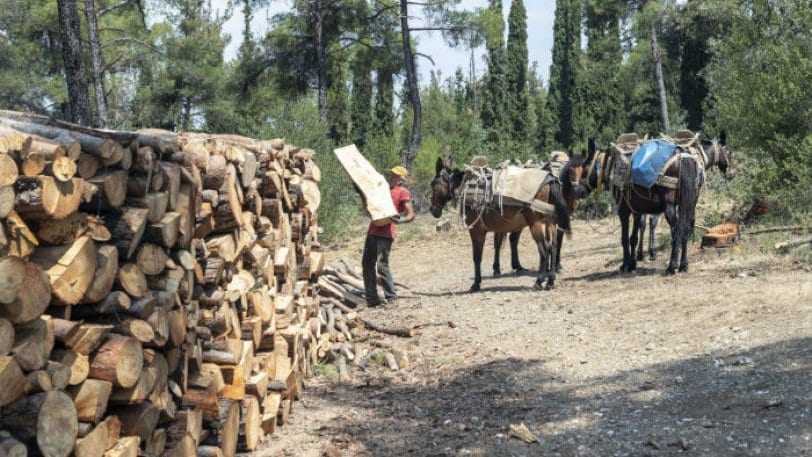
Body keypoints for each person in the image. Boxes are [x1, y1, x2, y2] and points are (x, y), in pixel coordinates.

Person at [362, 166, 415, 306]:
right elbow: (370, 208)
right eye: (391, 174)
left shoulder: (402, 192)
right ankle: (372, 299)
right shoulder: (381, 189)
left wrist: (400, 220)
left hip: (386, 233)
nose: (392, 177)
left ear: (401, 179)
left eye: (396, 175)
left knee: (382, 266)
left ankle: (391, 297)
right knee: (367, 264)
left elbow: (410, 214)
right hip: (373, 230)